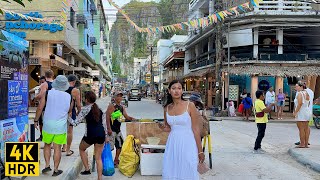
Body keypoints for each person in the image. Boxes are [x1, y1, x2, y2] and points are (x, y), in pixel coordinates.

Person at [159, 80, 204, 179]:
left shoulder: (190, 105)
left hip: (188, 142)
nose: (176, 91)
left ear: (182, 91)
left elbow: (196, 129)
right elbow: (169, 128)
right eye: (173, 88)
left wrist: (200, 151)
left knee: (188, 169)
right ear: (169, 91)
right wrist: (162, 127)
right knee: (172, 170)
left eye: (179, 88)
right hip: (173, 144)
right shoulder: (166, 108)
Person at [34, 75, 73, 176]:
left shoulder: (48, 93)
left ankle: (47, 165)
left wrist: (36, 120)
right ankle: (56, 169)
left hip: (48, 124)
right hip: (60, 125)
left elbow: (40, 107)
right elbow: (69, 110)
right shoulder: (69, 96)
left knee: (47, 145)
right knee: (57, 148)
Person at [68, 91, 106, 180]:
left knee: (81, 148)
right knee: (98, 158)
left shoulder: (84, 109)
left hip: (90, 135)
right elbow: (104, 124)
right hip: (101, 135)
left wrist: (67, 117)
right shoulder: (99, 109)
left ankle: (87, 169)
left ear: (86, 99)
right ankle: (99, 178)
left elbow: (75, 123)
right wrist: (107, 136)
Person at [105, 91, 136, 167]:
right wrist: (108, 129)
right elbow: (107, 117)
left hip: (118, 130)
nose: (119, 98)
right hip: (111, 130)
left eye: (120, 96)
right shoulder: (112, 106)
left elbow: (126, 117)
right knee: (109, 147)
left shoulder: (122, 107)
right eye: (118, 96)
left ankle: (116, 160)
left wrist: (133, 119)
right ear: (114, 97)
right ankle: (106, 162)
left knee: (120, 145)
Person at [62, 75, 82, 156]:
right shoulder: (75, 90)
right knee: (69, 131)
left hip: (61, 112)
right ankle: (68, 150)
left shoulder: (62, 89)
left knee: (62, 130)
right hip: (71, 112)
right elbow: (78, 104)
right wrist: (80, 113)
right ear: (74, 82)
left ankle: (63, 147)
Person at [34, 70, 54, 141]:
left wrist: (35, 98)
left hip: (45, 106)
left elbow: (41, 95)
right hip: (54, 106)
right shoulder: (56, 84)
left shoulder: (44, 84)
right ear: (53, 75)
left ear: (45, 76)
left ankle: (44, 137)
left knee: (43, 122)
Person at [293, 81, 311, 148]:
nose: (295, 87)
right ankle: (306, 144)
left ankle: (302, 144)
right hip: (306, 110)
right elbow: (308, 103)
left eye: (297, 86)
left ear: (301, 87)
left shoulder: (300, 94)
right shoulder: (307, 93)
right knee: (306, 128)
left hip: (301, 112)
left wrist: (296, 112)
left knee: (301, 129)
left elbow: (300, 104)